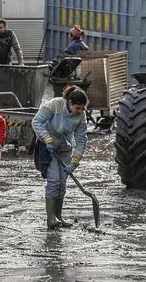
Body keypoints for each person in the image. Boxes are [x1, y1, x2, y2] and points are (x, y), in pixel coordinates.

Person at [32, 85, 88, 229]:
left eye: (82, 108)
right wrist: (47, 139)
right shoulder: (55, 104)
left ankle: (59, 216)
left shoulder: (81, 116)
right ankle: (51, 218)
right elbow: (36, 122)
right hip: (47, 147)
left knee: (62, 183)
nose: (80, 111)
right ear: (69, 103)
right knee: (54, 181)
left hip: (64, 149)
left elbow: (81, 139)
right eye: (78, 108)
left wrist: (75, 161)